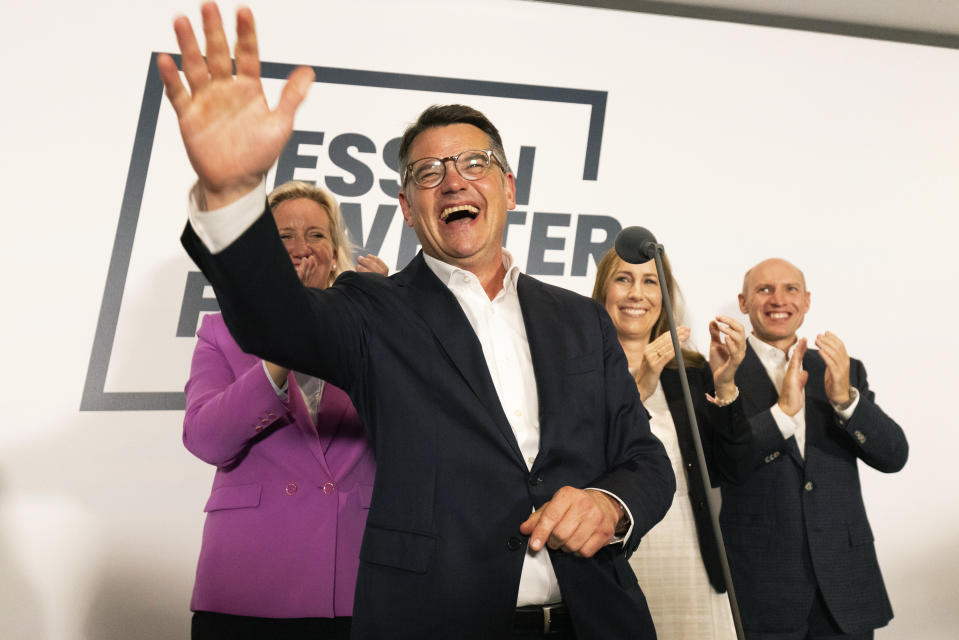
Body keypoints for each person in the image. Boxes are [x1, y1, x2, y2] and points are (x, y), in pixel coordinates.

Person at [160, 4, 675, 639]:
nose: (453, 181)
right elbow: (275, 321)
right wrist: (232, 196)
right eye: (428, 173)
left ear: (509, 188)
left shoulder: (580, 320)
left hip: (594, 620)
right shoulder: (373, 309)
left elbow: (646, 459)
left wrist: (611, 504)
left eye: (474, 164)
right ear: (407, 207)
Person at [183, 180, 385, 640]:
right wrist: (281, 345)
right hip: (247, 583)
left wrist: (387, 317)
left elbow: (413, 431)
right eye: (284, 236)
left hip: (354, 584)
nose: (301, 248)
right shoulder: (219, 332)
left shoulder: (371, 331)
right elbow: (206, 439)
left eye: (316, 235)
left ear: (336, 253)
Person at [717, 257, 908, 640]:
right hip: (761, 585)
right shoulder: (721, 370)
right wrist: (780, 415)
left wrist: (846, 402)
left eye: (790, 289)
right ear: (743, 302)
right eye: (764, 289)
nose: (778, 299)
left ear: (806, 301)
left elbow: (894, 456)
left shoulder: (843, 369)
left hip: (844, 582)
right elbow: (720, 462)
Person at [592, 247, 750, 639]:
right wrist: (641, 382)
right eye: (623, 279)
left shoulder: (692, 372)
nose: (636, 294)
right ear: (603, 290)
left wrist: (725, 382)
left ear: (664, 295)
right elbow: (584, 460)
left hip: (692, 557)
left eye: (650, 281)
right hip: (615, 557)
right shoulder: (579, 370)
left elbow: (735, 469)